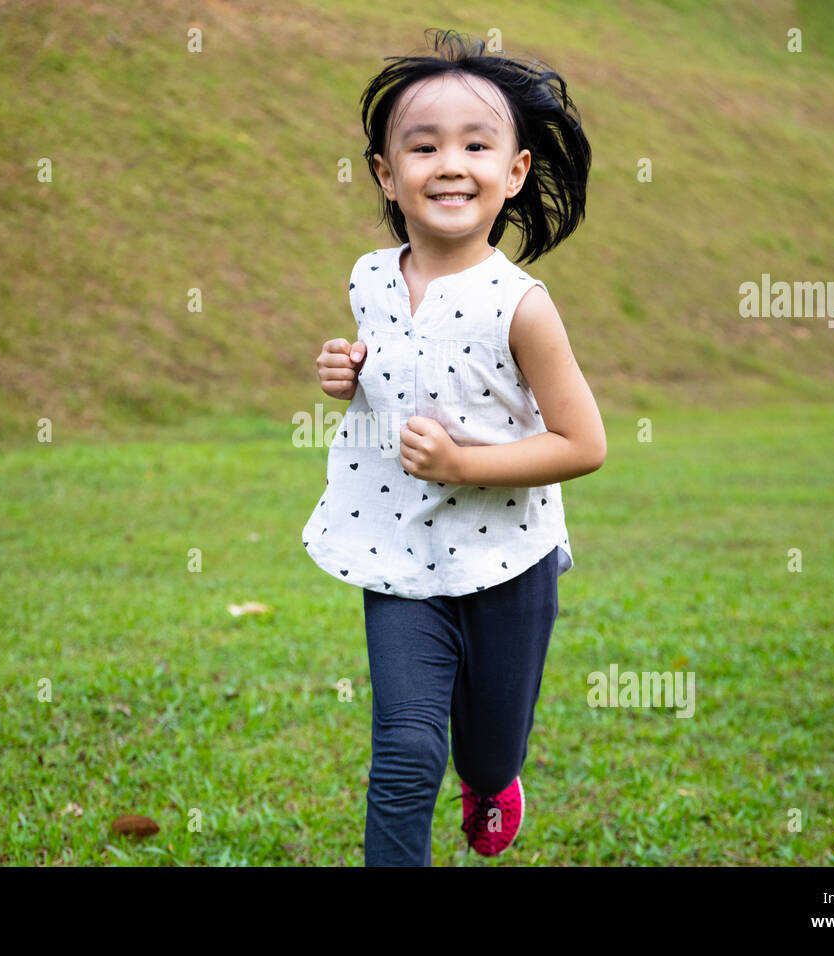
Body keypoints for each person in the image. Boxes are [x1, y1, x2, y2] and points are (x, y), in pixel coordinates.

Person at [301, 28, 606, 866]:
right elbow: (398, 372)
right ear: (385, 174)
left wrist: (466, 465)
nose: (449, 164)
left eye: (477, 145)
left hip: (509, 558)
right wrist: (349, 372)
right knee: (404, 751)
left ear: (512, 174)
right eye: (424, 146)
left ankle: (493, 779)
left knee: (489, 742)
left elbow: (584, 443)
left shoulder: (522, 304)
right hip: (397, 543)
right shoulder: (369, 278)